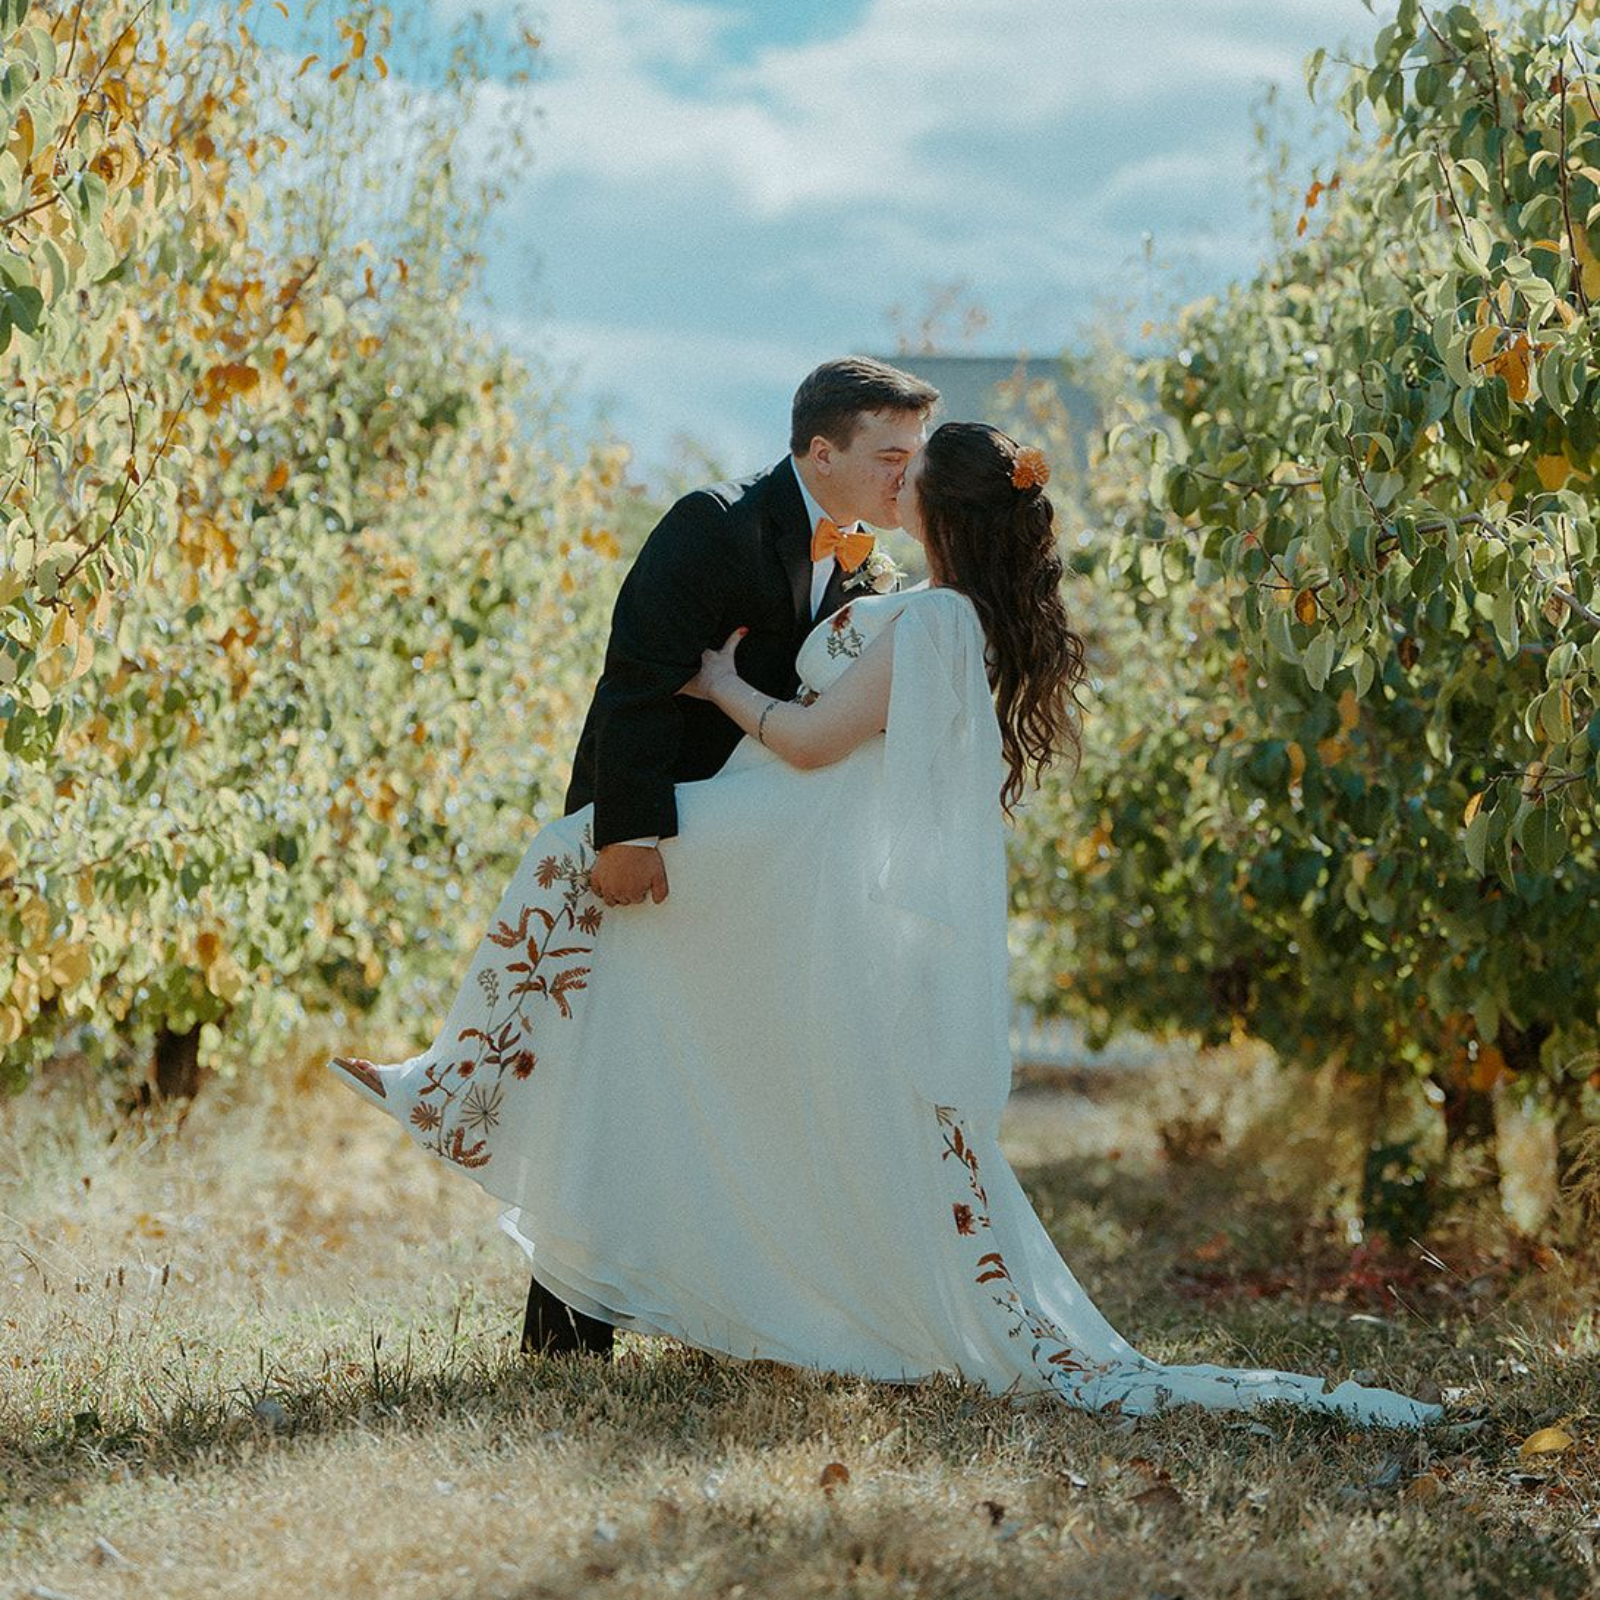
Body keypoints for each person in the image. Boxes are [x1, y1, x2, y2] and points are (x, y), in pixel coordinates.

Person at [330, 413, 1446, 1428]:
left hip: (785, 841)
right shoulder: (938, 612)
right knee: (624, 965)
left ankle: (454, 1081)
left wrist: (720, 681)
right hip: (787, 840)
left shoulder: (932, 621)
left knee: (571, 854)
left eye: (912, 470)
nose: (893, 478)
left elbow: (813, 742)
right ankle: (485, 1110)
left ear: (940, 505)